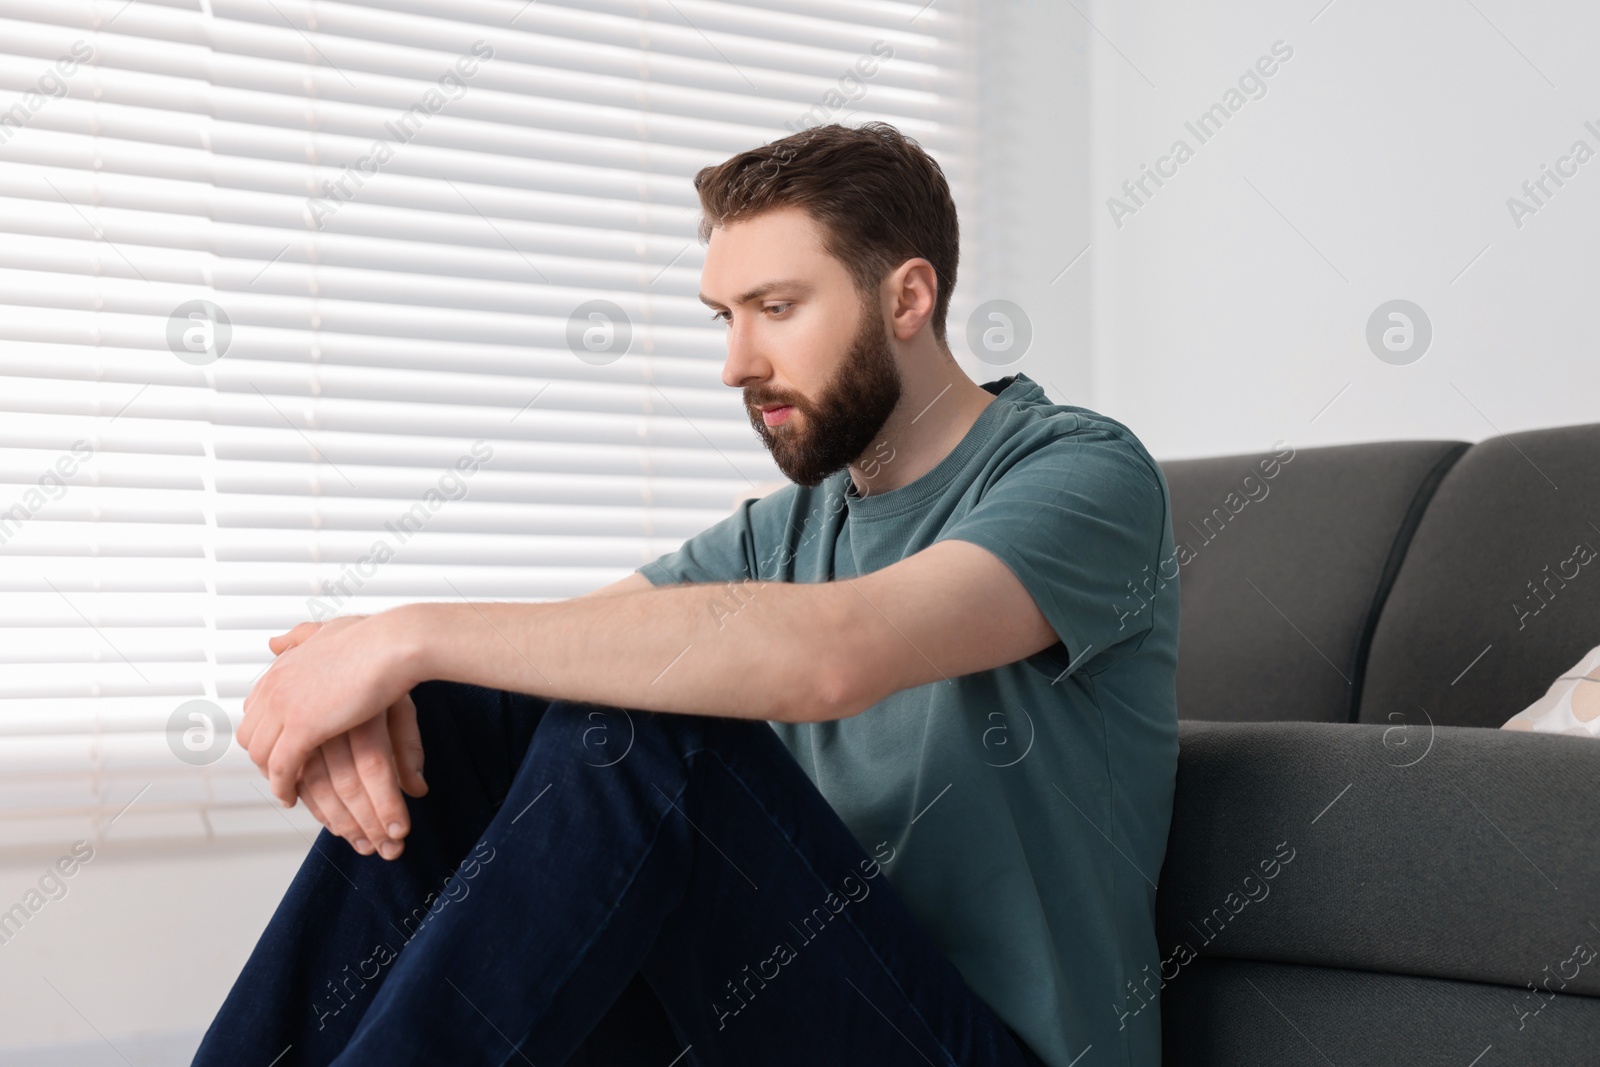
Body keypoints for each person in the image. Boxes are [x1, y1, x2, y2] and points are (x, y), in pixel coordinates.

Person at [194, 120, 1179, 1067]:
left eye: (777, 307)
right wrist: (381, 669)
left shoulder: (1082, 475)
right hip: (777, 1019)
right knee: (465, 713)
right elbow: (559, 655)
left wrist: (403, 635)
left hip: (981, 1048)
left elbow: (834, 654)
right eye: (725, 316)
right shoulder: (783, 529)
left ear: (906, 298)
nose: (735, 364)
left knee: (660, 728)